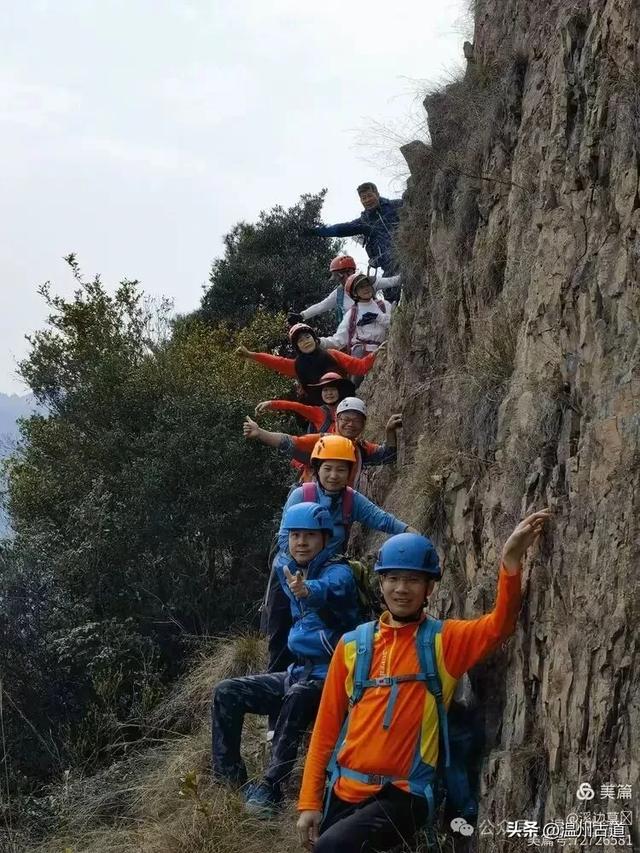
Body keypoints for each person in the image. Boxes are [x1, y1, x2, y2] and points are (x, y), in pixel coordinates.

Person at [296, 511, 551, 853]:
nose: (402, 589)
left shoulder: (444, 642)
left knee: (331, 849)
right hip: (344, 790)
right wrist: (309, 801)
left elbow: (498, 626)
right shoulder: (352, 646)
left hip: (404, 796)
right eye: (393, 579)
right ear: (380, 583)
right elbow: (326, 729)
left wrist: (510, 562)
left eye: (414, 580)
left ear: (429, 588)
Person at [212, 502, 361, 819]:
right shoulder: (289, 569)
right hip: (299, 672)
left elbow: (332, 589)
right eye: (295, 535)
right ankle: (230, 785)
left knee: (296, 696)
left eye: (309, 535)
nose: (301, 542)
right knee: (227, 692)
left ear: (325, 538)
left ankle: (271, 787)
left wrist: (309, 590)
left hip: (332, 679)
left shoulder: (339, 572)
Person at [243, 397, 402, 488]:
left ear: (363, 424)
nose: (351, 424)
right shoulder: (322, 440)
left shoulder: (361, 448)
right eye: (345, 419)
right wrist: (260, 433)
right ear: (337, 420)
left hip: (338, 510)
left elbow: (387, 456)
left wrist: (390, 432)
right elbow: (290, 442)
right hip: (306, 504)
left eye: (357, 421)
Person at [235, 323, 377, 405]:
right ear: (297, 347)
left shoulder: (332, 354)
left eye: (308, 337)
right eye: (301, 340)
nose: (306, 341)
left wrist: (376, 355)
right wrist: (251, 355)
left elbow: (360, 367)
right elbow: (275, 362)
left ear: (315, 339)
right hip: (319, 411)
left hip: (345, 404)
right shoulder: (297, 365)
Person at [305, 182, 403, 290]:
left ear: (377, 194)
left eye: (370, 196)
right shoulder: (364, 221)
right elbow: (341, 229)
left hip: (410, 254)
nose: (367, 200)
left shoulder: (396, 205)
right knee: (390, 294)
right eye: (363, 198)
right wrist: (316, 232)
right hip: (389, 266)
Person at [292, 255, 401, 325]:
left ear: (351, 271)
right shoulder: (338, 294)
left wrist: (409, 273)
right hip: (354, 338)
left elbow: (392, 281)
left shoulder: (369, 282)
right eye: (338, 277)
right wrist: (302, 316)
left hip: (378, 329)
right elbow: (321, 306)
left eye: (343, 275)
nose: (342, 280)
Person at [254, 372, 355, 434]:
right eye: (325, 390)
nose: (329, 393)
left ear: (340, 391)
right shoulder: (318, 412)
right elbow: (295, 406)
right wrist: (271, 404)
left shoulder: (352, 409)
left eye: (333, 390)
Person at [320, 273, 391, 358]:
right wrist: (320, 341)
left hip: (384, 353)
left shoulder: (384, 305)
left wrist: (378, 317)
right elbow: (339, 340)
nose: (366, 288)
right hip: (361, 356)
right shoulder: (352, 314)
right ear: (354, 293)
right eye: (361, 287)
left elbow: (395, 325)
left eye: (367, 285)